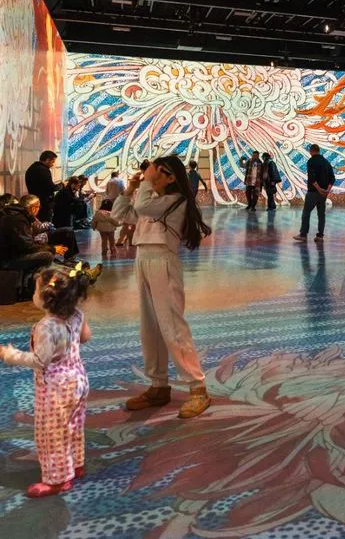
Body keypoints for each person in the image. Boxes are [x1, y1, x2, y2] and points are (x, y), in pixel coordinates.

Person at [113, 155, 213, 419]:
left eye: (157, 171)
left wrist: (145, 183)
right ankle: (158, 386)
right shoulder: (153, 200)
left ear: (170, 178)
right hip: (143, 258)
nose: (151, 175)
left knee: (172, 326)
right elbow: (119, 214)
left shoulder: (176, 200)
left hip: (163, 261)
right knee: (151, 327)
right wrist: (130, 189)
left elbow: (143, 207)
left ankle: (197, 387)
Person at [0, 264, 91, 498]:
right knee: (73, 425)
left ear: (47, 297)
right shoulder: (77, 314)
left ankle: (57, 479)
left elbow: (40, 361)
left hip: (56, 389)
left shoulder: (46, 327)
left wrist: (9, 354)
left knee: (51, 434)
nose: (33, 294)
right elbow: (85, 337)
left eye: (35, 290)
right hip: (79, 382)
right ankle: (76, 464)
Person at [0, 196, 67, 275]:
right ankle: (37, 280)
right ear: (33, 208)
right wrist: (53, 249)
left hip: (12, 254)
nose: (39, 210)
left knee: (47, 249)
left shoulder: (15, 215)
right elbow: (27, 246)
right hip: (7, 260)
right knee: (47, 256)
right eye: (39, 207)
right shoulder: (18, 219)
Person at [295, 144, 335, 242]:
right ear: (318, 150)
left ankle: (303, 234)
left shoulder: (311, 161)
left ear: (311, 151)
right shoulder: (326, 162)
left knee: (306, 212)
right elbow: (332, 178)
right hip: (323, 194)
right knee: (321, 214)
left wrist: (319, 189)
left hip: (313, 192)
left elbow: (312, 178)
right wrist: (327, 190)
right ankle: (320, 236)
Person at [25, 150, 60, 223]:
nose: (53, 165)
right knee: (45, 225)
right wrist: (61, 185)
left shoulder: (32, 168)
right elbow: (50, 187)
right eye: (53, 162)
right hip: (43, 205)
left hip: (36, 202)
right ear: (47, 160)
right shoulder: (43, 170)